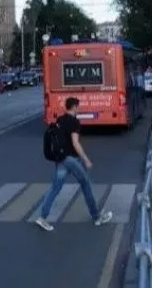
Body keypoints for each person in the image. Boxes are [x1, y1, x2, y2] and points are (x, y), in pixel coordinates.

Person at [34, 97, 112, 232]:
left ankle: (42, 217)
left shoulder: (60, 119)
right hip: (71, 160)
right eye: (78, 106)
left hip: (61, 159)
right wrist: (86, 159)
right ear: (75, 107)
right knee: (86, 183)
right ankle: (97, 217)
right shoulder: (75, 122)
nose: (79, 108)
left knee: (55, 188)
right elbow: (75, 143)